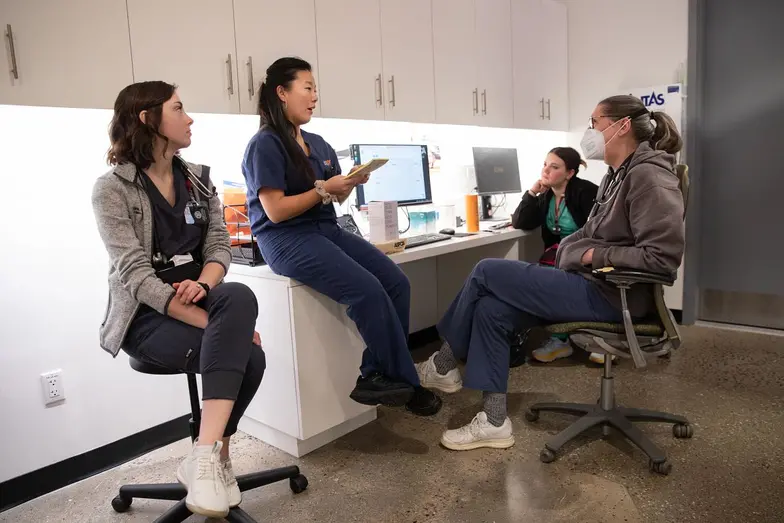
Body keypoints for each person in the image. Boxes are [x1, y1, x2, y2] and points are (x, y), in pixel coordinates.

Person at [416, 94, 685, 451]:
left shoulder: (649, 176)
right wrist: (574, 250)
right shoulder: (618, 174)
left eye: (594, 123)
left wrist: (589, 255)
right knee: (491, 311)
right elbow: (588, 232)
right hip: (591, 284)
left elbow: (662, 257)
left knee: (485, 271)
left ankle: (443, 362)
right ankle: (494, 421)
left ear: (620, 126)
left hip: (612, 294)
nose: (589, 132)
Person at [92, 81, 264, 518]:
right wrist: (219, 327)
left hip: (202, 302)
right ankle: (213, 459)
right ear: (149, 119)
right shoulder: (113, 189)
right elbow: (135, 276)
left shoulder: (198, 179)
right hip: (147, 319)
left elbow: (220, 246)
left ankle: (208, 456)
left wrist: (205, 286)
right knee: (250, 355)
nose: (190, 119)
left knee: (239, 294)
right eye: (179, 109)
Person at [241, 57, 441, 416]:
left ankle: (374, 373)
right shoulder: (265, 144)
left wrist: (348, 184)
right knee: (366, 290)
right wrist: (323, 190)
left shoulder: (317, 143)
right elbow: (275, 210)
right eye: (307, 87)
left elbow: (333, 197)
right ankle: (407, 383)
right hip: (285, 237)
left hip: (324, 228)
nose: (314, 96)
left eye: (315, 89)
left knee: (397, 283)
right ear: (282, 93)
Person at [510, 147, 598, 363]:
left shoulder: (586, 192)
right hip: (557, 255)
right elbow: (520, 222)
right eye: (545, 164)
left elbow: (600, 231)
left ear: (570, 173)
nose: (546, 170)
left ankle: (594, 339)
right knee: (541, 276)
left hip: (584, 253)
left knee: (554, 277)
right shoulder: (546, 196)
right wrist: (532, 192)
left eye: (554, 166)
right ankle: (559, 341)